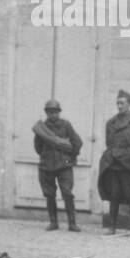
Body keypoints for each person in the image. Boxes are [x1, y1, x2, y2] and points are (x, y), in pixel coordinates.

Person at [98, 90, 130, 235]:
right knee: (114, 195)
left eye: (122, 103)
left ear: (129, 104)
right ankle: (112, 227)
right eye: (117, 103)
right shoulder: (111, 123)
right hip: (114, 164)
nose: (119, 106)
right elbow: (109, 143)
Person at [32, 99, 83, 232]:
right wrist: (47, 155)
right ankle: (53, 222)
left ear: (59, 112)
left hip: (64, 165)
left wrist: (72, 157)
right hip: (47, 165)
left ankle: (72, 223)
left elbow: (77, 142)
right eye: (50, 112)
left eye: (55, 112)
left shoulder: (66, 125)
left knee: (67, 193)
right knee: (49, 194)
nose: (53, 115)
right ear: (46, 113)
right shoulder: (41, 128)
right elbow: (38, 147)